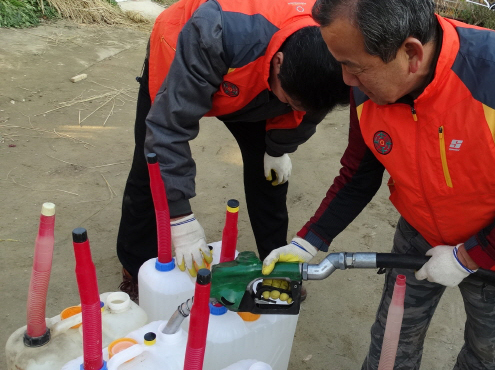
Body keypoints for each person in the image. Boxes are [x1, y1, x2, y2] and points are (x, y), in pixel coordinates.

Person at [262, 0, 495, 370]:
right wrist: (310, 239)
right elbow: (358, 173)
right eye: (340, 62)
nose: (346, 80)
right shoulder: (366, 80)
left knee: (489, 347)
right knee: (395, 329)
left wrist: (469, 257)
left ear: (410, 54)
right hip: (420, 230)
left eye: (354, 67)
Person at [116, 0, 349, 298]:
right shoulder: (214, 30)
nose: (292, 109)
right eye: (290, 101)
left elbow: (311, 110)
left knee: (269, 177)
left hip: (257, 79)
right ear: (279, 63)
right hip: (184, 50)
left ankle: (277, 266)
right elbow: (168, 129)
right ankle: (137, 267)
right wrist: (180, 217)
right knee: (150, 164)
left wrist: (278, 148)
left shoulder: (336, 45)